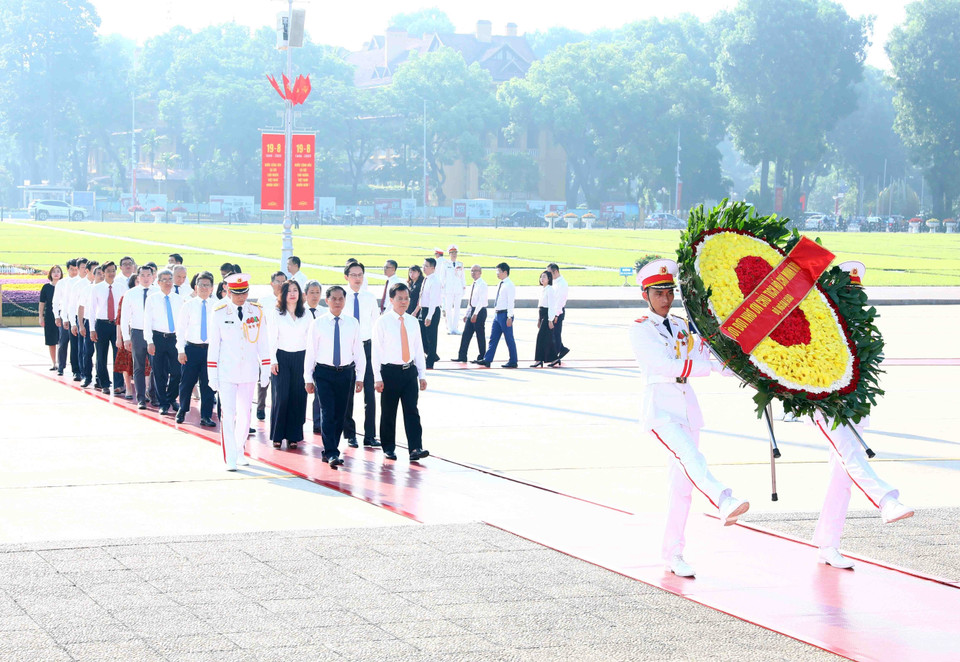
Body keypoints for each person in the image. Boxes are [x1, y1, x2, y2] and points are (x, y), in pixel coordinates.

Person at [629, 259, 749, 579]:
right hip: (662, 409)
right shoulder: (641, 329)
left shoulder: (683, 326)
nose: (665, 299)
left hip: (687, 408)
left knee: (682, 487)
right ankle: (724, 499)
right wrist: (706, 367)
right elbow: (664, 365)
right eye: (658, 293)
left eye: (669, 292)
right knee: (691, 456)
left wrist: (748, 373)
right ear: (645, 295)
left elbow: (705, 357)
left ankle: (673, 552)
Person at [812, 261, 913, 570]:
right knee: (851, 456)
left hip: (854, 408)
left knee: (841, 477)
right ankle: (886, 500)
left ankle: (827, 544)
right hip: (826, 408)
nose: (854, 298)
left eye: (857, 292)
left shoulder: (863, 326)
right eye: (848, 292)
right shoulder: (821, 323)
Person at [208, 274, 271, 471]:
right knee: (229, 414)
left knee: (245, 414)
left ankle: (239, 449)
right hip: (227, 371)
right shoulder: (219, 312)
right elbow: (214, 346)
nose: (241, 297)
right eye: (236, 293)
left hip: (249, 371)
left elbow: (263, 343)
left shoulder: (257, 312)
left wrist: (266, 370)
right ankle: (230, 456)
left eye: (244, 293)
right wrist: (212, 375)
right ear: (228, 292)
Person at [305, 286, 365, 466]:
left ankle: (332, 449)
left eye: (341, 299)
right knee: (327, 412)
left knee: (340, 414)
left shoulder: (353, 323)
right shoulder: (318, 323)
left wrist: (360, 376)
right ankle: (331, 451)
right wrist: (308, 378)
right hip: (324, 373)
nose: (337, 302)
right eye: (334, 299)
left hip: (346, 373)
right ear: (327, 300)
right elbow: (311, 351)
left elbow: (359, 351)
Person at [372, 283, 430, 462]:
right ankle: (388, 448)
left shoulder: (413, 322)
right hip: (390, 372)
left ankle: (415, 447)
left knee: (412, 410)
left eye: (406, 298)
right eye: (400, 299)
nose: (404, 302)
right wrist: (377, 377)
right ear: (391, 300)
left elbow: (418, 349)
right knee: (389, 412)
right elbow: (376, 352)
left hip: (409, 371)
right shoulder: (382, 322)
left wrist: (422, 375)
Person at [341, 262, 382, 449]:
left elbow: (376, 326)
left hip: (367, 347)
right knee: (348, 394)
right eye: (354, 275)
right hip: (347, 349)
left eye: (360, 275)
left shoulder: (369, 298)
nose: (357, 278)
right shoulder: (340, 297)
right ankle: (350, 434)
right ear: (346, 277)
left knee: (370, 394)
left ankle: (370, 435)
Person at [268, 280, 311, 449]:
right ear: (283, 294)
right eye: (289, 291)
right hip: (281, 358)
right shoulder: (276, 313)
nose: (292, 294)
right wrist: (273, 360)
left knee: (298, 397)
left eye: (296, 290)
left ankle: (294, 435)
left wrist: (310, 363)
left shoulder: (306, 314)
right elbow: (272, 338)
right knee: (281, 397)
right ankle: (277, 435)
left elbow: (310, 340)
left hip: (301, 357)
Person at [175, 271, 217, 427]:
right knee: (186, 383)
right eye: (201, 285)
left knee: (208, 384)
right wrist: (181, 350)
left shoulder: (217, 307)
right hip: (192, 349)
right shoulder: (188, 305)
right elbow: (180, 329)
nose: (204, 288)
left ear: (212, 288)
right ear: (195, 287)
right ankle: (183, 409)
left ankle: (206, 415)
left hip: (210, 351)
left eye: (207, 285)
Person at [144, 269, 184, 416]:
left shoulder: (179, 299)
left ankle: (171, 397)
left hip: (174, 338)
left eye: (170, 279)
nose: (168, 282)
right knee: (159, 373)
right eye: (164, 280)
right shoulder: (152, 299)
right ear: (158, 282)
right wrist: (149, 341)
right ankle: (163, 403)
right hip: (158, 338)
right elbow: (147, 322)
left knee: (177, 372)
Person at [120, 265, 158, 408]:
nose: (146, 278)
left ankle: (154, 395)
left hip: (155, 333)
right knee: (138, 366)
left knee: (157, 366)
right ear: (138, 277)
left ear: (153, 276)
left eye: (149, 275)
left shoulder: (158, 292)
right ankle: (141, 398)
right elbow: (124, 317)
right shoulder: (131, 293)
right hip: (137, 332)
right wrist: (126, 337)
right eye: (143, 275)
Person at [87, 261, 123, 394]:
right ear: (103, 272)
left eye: (113, 270)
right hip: (101, 324)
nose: (111, 273)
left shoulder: (121, 287)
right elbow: (91, 310)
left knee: (118, 355)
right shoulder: (96, 288)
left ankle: (119, 384)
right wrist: (92, 329)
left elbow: (124, 308)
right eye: (108, 271)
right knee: (101, 356)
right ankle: (104, 384)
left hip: (116, 325)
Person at [256, 271, 287, 421]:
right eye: (278, 281)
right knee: (264, 375)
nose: (281, 285)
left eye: (283, 282)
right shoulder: (264, 300)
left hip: (283, 344)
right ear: (272, 283)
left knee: (279, 378)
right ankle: (260, 407)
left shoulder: (290, 299)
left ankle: (277, 407)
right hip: (266, 343)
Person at [480, 262, 518, 368]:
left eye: (499, 271)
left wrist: (510, 316)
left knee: (509, 338)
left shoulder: (509, 285)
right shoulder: (501, 284)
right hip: (498, 314)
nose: (497, 273)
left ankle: (513, 360)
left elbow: (511, 302)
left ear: (505, 272)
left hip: (505, 314)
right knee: (493, 338)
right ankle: (487, 359)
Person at [113, 274, 141, 399]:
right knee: (126, 362)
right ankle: (128, 388)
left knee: (144, 364)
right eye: (137, 281)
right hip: (128, 334)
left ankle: (144, 390)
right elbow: (119, 319)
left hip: (142, 334)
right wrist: (120, 337)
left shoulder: (150, 295)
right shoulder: (126, 296)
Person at [303, 279, 325, 434]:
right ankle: (298, 421)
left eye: (318, 292)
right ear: (305, 294)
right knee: (301, 390)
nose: (315, 296)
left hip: (319, 357)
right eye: (312, 292)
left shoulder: (325, 312)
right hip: (301, 355)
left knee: (319, 392)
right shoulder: (299, 312)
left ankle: (318, 422)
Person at [53, 258, 80, 377]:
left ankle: (77, 369)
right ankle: (61, 366)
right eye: (72, 269)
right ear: (67, 269)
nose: (74, 272)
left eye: (76, 269)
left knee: (77, 344)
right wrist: (57, 316)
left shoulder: (81, 282)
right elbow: (57, 300)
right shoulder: (62, 283)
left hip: (77, 315)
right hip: (65, 315)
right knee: (63, 342)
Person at [457, 265, 488, 364]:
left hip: (479, 311)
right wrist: (467, 314)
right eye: (471, 271)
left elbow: (481, 301)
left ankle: (482, 356)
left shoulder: (482, 284)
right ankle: (462, 355)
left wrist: (475, 314)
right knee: (466, 334)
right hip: (472, 309)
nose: (473, 273)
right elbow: (471, 301)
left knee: (480, 335)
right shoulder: (473, 284)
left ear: (480, 272)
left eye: (475, 271)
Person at [75, 259, 98, 387]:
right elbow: (81, 307)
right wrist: (81, 325)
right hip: (89, 321)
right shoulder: (86, 288)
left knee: (102, 353)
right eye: (94, 271)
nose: (97, 274)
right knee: (87, 351)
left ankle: (101, 378)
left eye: (99, 271)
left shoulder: (106, 287)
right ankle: (86, 376)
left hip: (102, 322)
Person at [531, 270, 560, 368]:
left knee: (540, 338)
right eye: (541, 277)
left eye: (544, 277)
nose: (542, 279)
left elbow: (552, 306)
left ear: (549, 279)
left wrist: (550, 320)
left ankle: (538, 359)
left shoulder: (550, 289)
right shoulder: (543, 289)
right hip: (542, 314)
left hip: (547, 315)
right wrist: (539, 319)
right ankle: (555, 358)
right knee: (547, 338)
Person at [419, 257, 442, 369]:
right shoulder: (426, 279)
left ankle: (430, 361)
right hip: (424, 309)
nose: (424, 268)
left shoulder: (435, 281)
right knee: (423, 335)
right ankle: (433, 355)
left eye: (426, 266)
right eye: (423, 265)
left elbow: (433, 301)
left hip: (431, 311)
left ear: (433, 268)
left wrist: (429, 316)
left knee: (431, 337)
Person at [39, 265, 63, 370]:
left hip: (63, 315)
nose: (56, 273)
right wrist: (41, 316)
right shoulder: (46, 287)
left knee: (63, 340)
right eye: (54, 272)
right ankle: (54, 363)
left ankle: (62, 362)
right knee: (51, 340)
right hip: (49, 316)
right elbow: (42, 303)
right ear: (50, 274)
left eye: (58, 271)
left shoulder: (64, 286)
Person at [440, 245, 465, 335]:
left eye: (455, 253)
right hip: (448, 290)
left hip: (458, 289)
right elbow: (442, 277)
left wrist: (463, 287)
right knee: (448, 309)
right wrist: (442, 290)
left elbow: (463, 277)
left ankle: (455, 327)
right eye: (452, 253)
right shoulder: (446, 264)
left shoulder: (460, 264)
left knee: (457, 309)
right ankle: (450, 327)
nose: (454, 255)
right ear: (449, 254)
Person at [548, 263, 570, 362]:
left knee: (555, 334)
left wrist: (556, 314)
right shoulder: (555, 282)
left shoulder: (562, 284)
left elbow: (560, 301)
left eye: (549, 273)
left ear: (555, 271)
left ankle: (555, 357)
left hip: (558, 312)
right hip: (553, 311)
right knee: (553, 334)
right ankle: (562, 349)